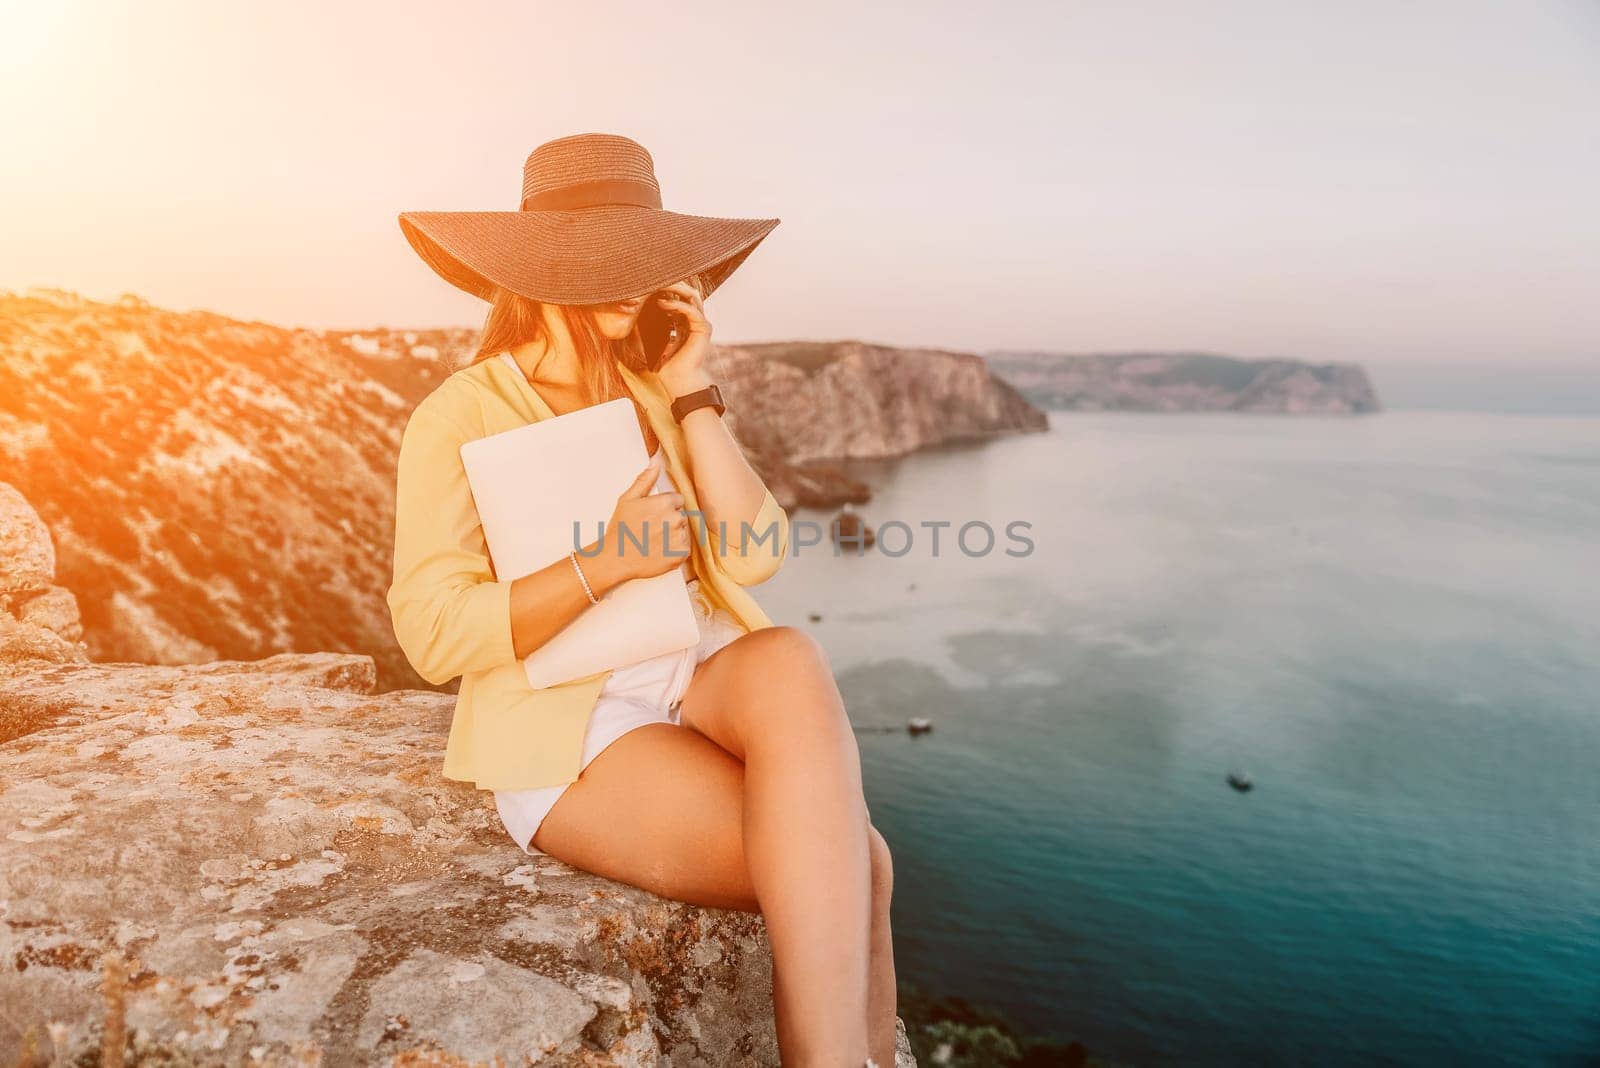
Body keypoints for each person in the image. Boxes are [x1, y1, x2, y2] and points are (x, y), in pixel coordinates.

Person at [386, 132, 896, 1067]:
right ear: (537, 271)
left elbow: (754, 557)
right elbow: (432, 633)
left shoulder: (655, 388)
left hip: (688, 669)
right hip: (569, 721)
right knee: (859, 864)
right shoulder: (460, 411)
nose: (638, 281)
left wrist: (692, 388)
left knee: (790, 655)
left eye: (652, 259)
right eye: (608, 261)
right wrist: (607, 561)